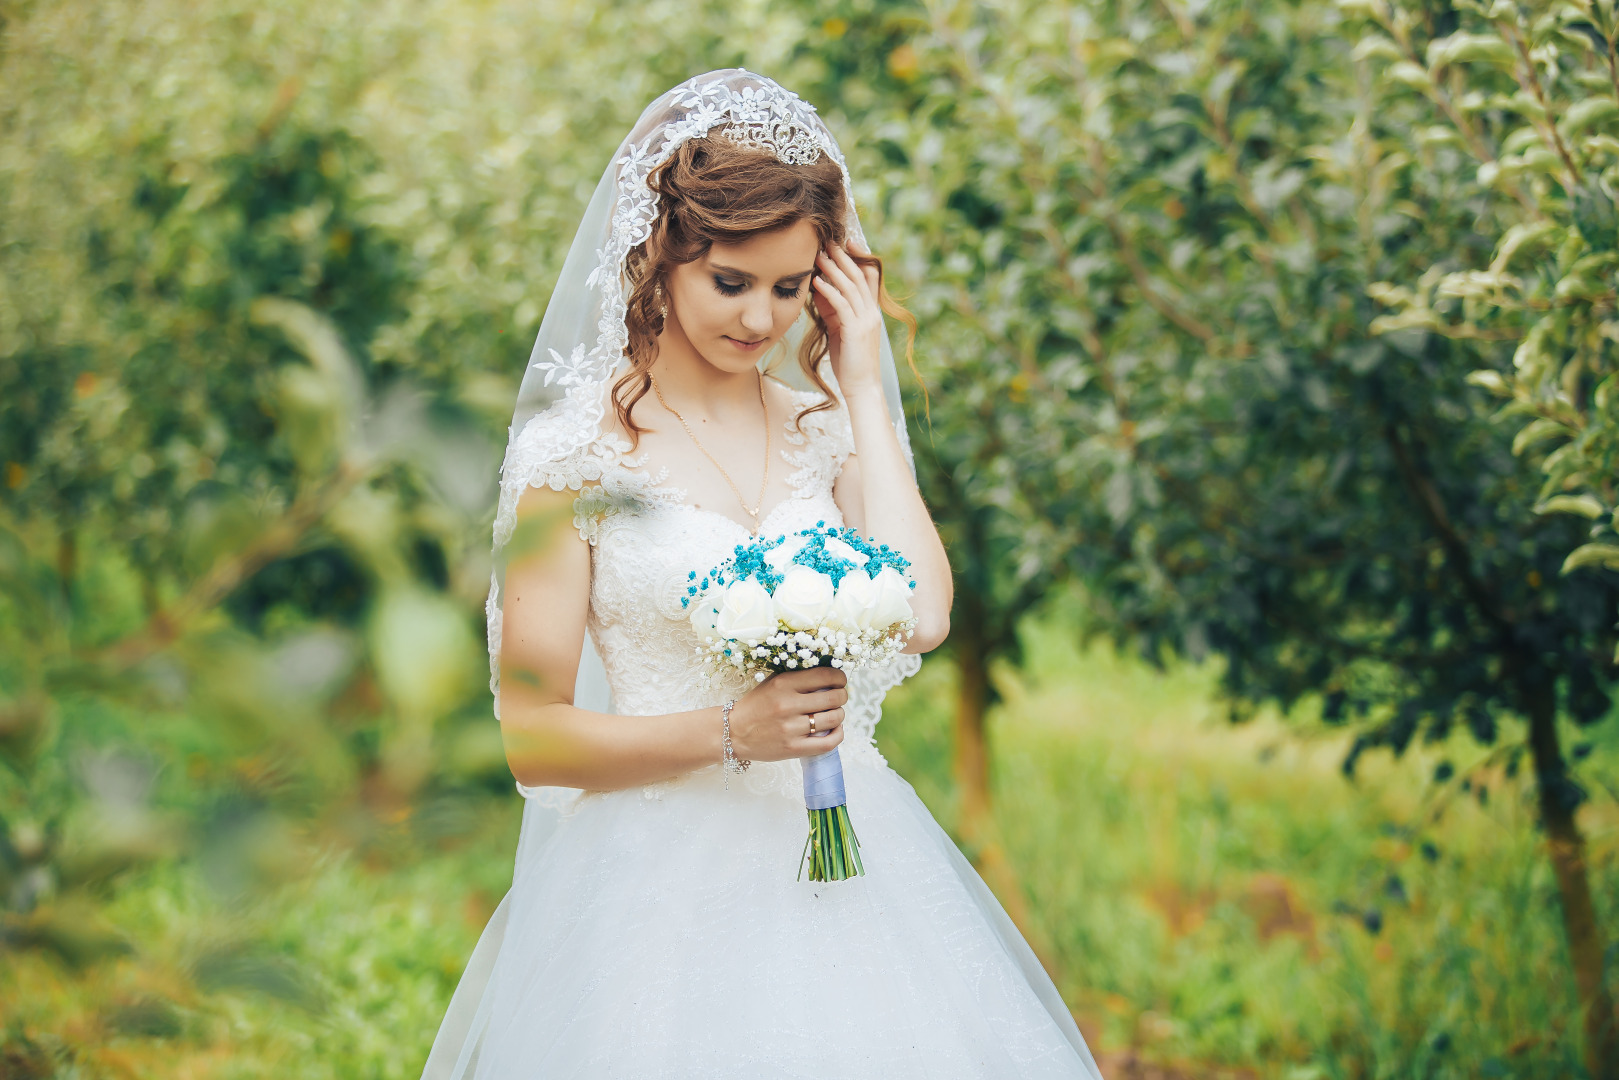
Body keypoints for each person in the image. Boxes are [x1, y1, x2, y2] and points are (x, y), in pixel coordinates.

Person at [421, 69, 1104, 1079]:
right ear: (658, 255)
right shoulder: (575, 463)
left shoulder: (825, 433)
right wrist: (734, 733)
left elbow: (919, 615)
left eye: (791, 289)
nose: (759, 320)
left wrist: (860, 381)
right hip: (656, 904)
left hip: (853, 876)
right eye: (729, 282)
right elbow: (531, 740)